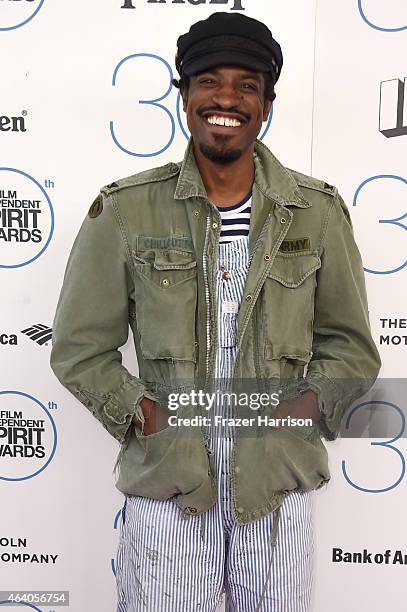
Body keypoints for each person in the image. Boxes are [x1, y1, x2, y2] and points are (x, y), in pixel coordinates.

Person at [50, 11, 381, 612]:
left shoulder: (317, 212)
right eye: (208, 81)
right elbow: (78, 349)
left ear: (267, 104)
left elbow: (352, 347)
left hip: (276, 489)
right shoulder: (126, 211)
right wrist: (143, 415)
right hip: (168, 488)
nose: (225, 98)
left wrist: (300, 415)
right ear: (184, 95)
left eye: (246, 85)